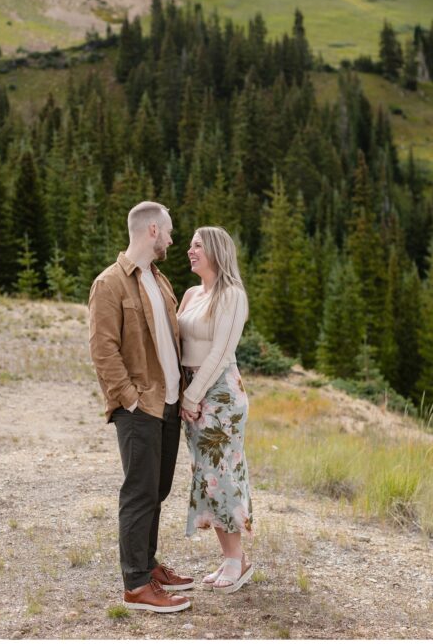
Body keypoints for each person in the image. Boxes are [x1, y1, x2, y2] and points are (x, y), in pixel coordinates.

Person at [89, 201, 194, 613]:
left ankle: (148, 566)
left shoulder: (160, 280)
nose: (171, 239)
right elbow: (103, 349)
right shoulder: (110, 283)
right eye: (167, 231)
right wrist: (130, 400)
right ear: (152, 231)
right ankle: (136, 585)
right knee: (139, 492)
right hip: (139, 408)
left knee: (158, 489)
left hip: (168, 403)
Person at [178, 226, 254, 593]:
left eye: (197, 245)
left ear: (216, 251)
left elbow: (222, 353)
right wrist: (184, 393)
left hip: (220, 394)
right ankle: (229, 558)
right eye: (190, 245)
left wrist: (192, 396)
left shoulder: (232, 295)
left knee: (221, 474)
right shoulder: (192, 293)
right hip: (192, 391)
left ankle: (237, 561)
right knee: (206, 475)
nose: (190, 250)